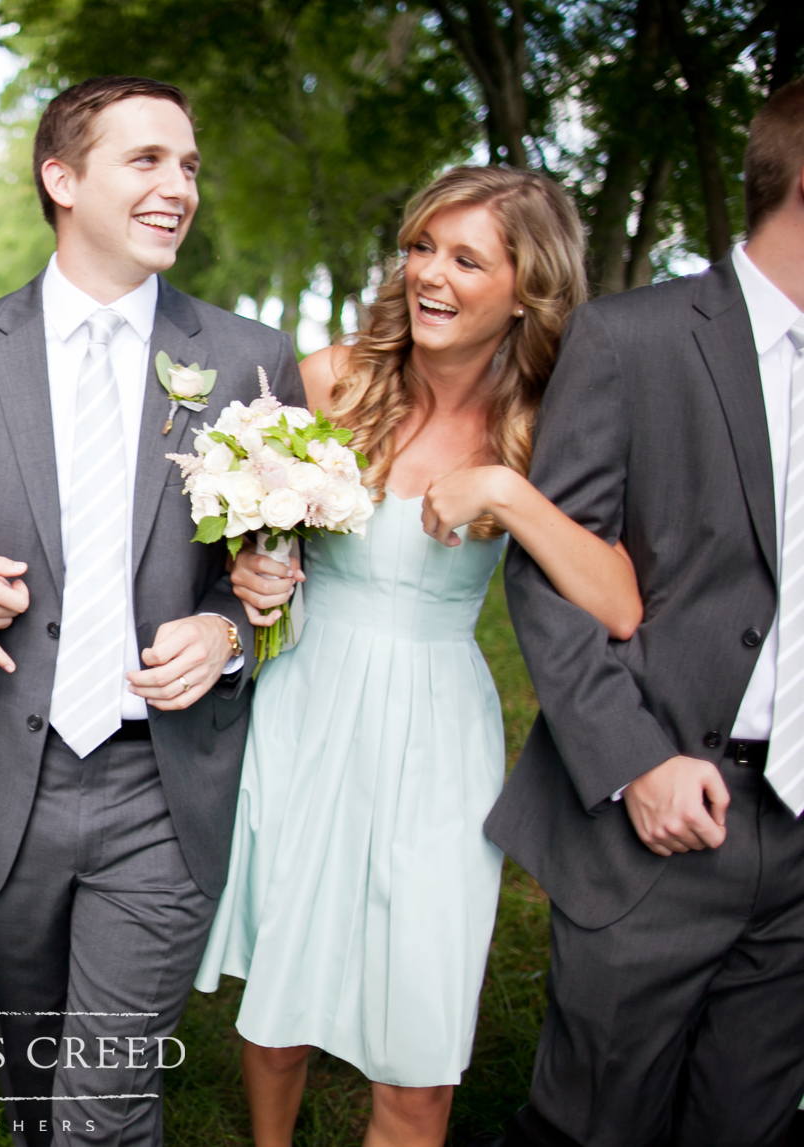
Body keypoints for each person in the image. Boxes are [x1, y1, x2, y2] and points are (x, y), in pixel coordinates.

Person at [0, 76, 305, 1146]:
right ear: (62, 178)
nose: (178, 187)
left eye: (189, 166)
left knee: (101, 1106)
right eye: (147, 161)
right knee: (37, 1102)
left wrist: (224, 627)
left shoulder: (247, 358)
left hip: (159, 781)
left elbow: (263, 562)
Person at [198, 165, 640, 1147]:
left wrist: (509, 493)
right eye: (419, 248)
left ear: (528, 288)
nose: (426, 275)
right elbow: (250, 538)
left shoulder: (552, 422)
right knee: (285, 988)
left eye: (464, 258)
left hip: (443, 728)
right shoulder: (329, 380)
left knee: (425, 1029)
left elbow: (615, 601)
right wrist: (252, 572)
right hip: (308, 705)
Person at [487, 78, 804, 1147]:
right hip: (654, 824)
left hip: (799, 850)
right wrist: (636, 763)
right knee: (596, 1124)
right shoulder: (634, 339)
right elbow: (546, 569)